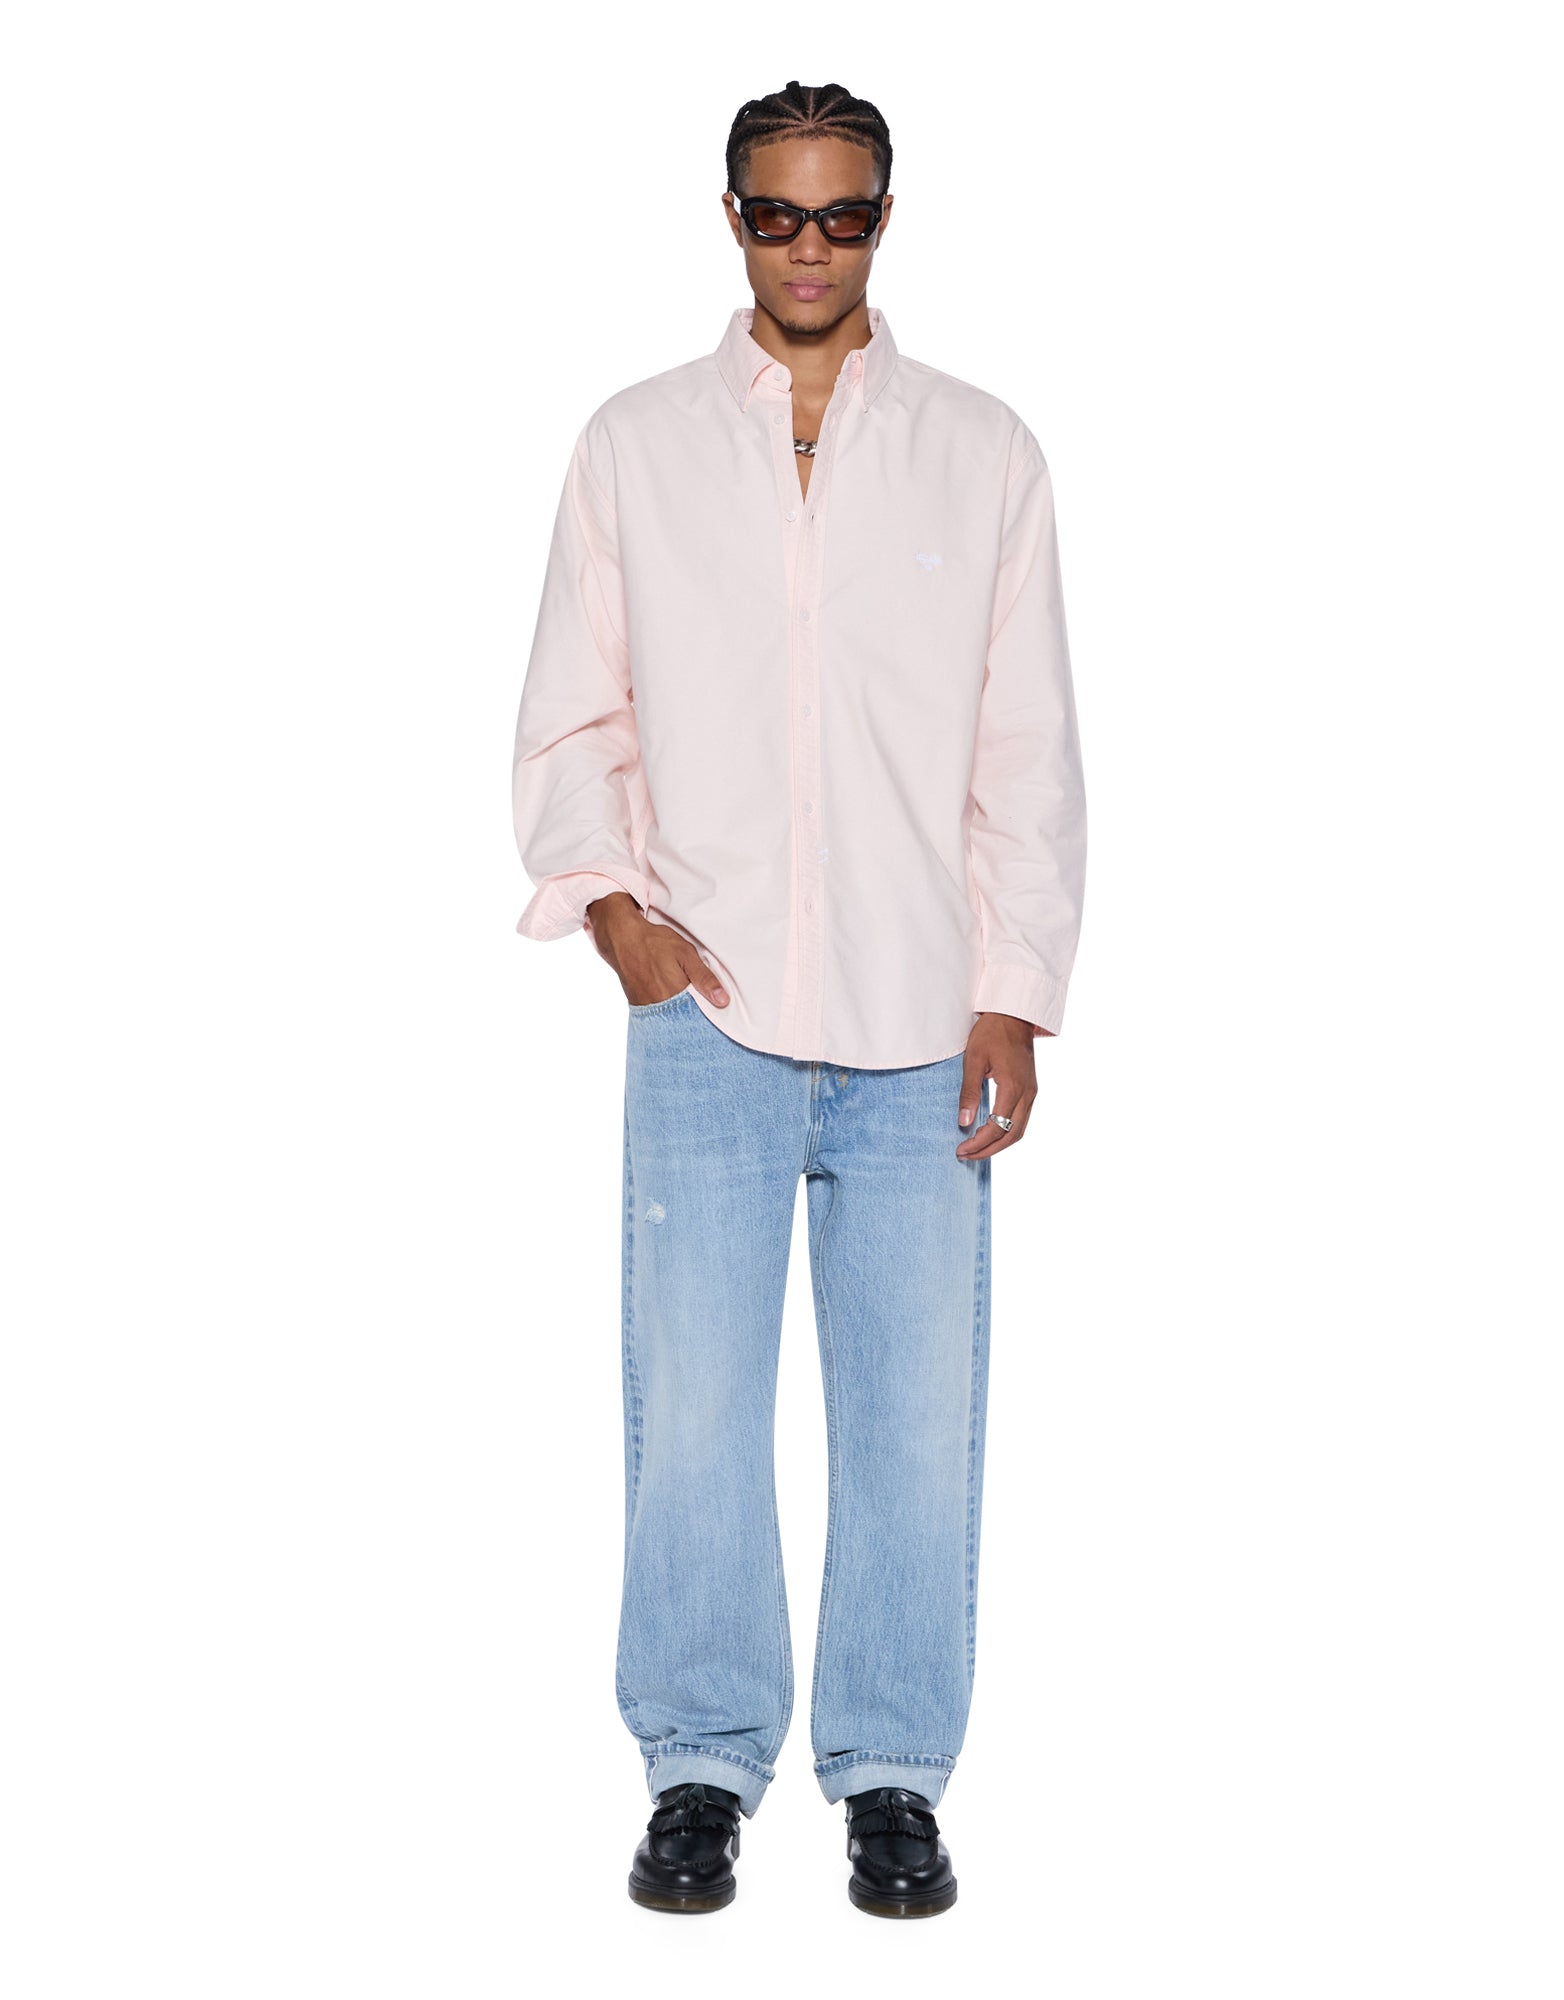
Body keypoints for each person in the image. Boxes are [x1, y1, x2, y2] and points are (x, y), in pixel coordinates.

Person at [510, 79, 1087, 1918]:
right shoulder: (637, 444)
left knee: (917, 1415)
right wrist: (617, 922)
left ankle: (892, 1771)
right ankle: (699, 1762)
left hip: (927, 1016)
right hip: (712, 1003)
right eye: (778, 215)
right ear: (734, 219)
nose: (810, 247)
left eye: (841, 216)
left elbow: (1026, 745)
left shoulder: (983, 453)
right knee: (692, 1406)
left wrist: (1015, 993)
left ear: (885, 219)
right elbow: (574, 707)